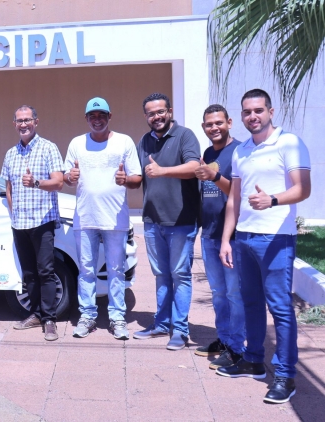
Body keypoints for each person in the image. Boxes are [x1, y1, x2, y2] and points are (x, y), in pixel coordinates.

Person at [216, 89, 311, 404]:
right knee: (251, 304)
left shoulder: (289, 143)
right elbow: (234, 199)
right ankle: (254, 360)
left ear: (270, 111)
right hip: (244, 237)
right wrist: (227, 239)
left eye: (258, 110)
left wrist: (271, 200)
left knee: (281, 308)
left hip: (276, 238)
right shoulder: (241, 151)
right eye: (246, 112)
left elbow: (302, 189)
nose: (252, 116)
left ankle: (285, 376)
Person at [64, 98, 142, 340]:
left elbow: (137, 179)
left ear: (110, 117)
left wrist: (125, 181)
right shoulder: (77, 143)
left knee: (116, 270)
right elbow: (67, 176)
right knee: (86, 270)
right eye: (92, 116)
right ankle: (87, 316)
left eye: (101, 115)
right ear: (86, 119)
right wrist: (70, 176)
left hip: (115, 219)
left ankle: (117, 318)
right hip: (85, 218)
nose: (97, 119)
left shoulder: (124, 141)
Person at [132, 93, 201, 350]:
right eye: (151, 113)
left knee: (180, 275)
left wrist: (164, 171)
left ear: (169, 111)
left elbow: (195, 166)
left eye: (160, 111)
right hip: (152, 220)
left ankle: (180, 330)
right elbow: (140, 176)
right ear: (146, 116)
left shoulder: (184, 135)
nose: (156, 117)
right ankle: (161, 324)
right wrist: (123, 179)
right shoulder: (145, 141)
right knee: (161, 275)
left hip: (181, 220)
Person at [1, 105, 65, 341]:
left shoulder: (49, 148)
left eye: (28, 120)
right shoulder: (10, 153)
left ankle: (49, 320)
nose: (24, 124)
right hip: (20, 223)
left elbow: (59, 182)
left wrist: (36, 183)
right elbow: (8, 188)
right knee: (28, 273)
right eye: (19, 120)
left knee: (46, 271)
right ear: (15, 124)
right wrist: (13, 212)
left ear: (36, 122)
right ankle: (35, 314)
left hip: (42, 221)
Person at [193, 105, 245, 368]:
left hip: (232, 236)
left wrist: (214, 176)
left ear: (229, 122)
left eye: (218, 123)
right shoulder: (208, 152)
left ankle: (237, 348)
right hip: (210, 233)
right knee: (218, 293)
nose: (214, 128)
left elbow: (237, 193)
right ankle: (224, 340)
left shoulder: (240, 151)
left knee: (235, 294)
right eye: (209, 124)